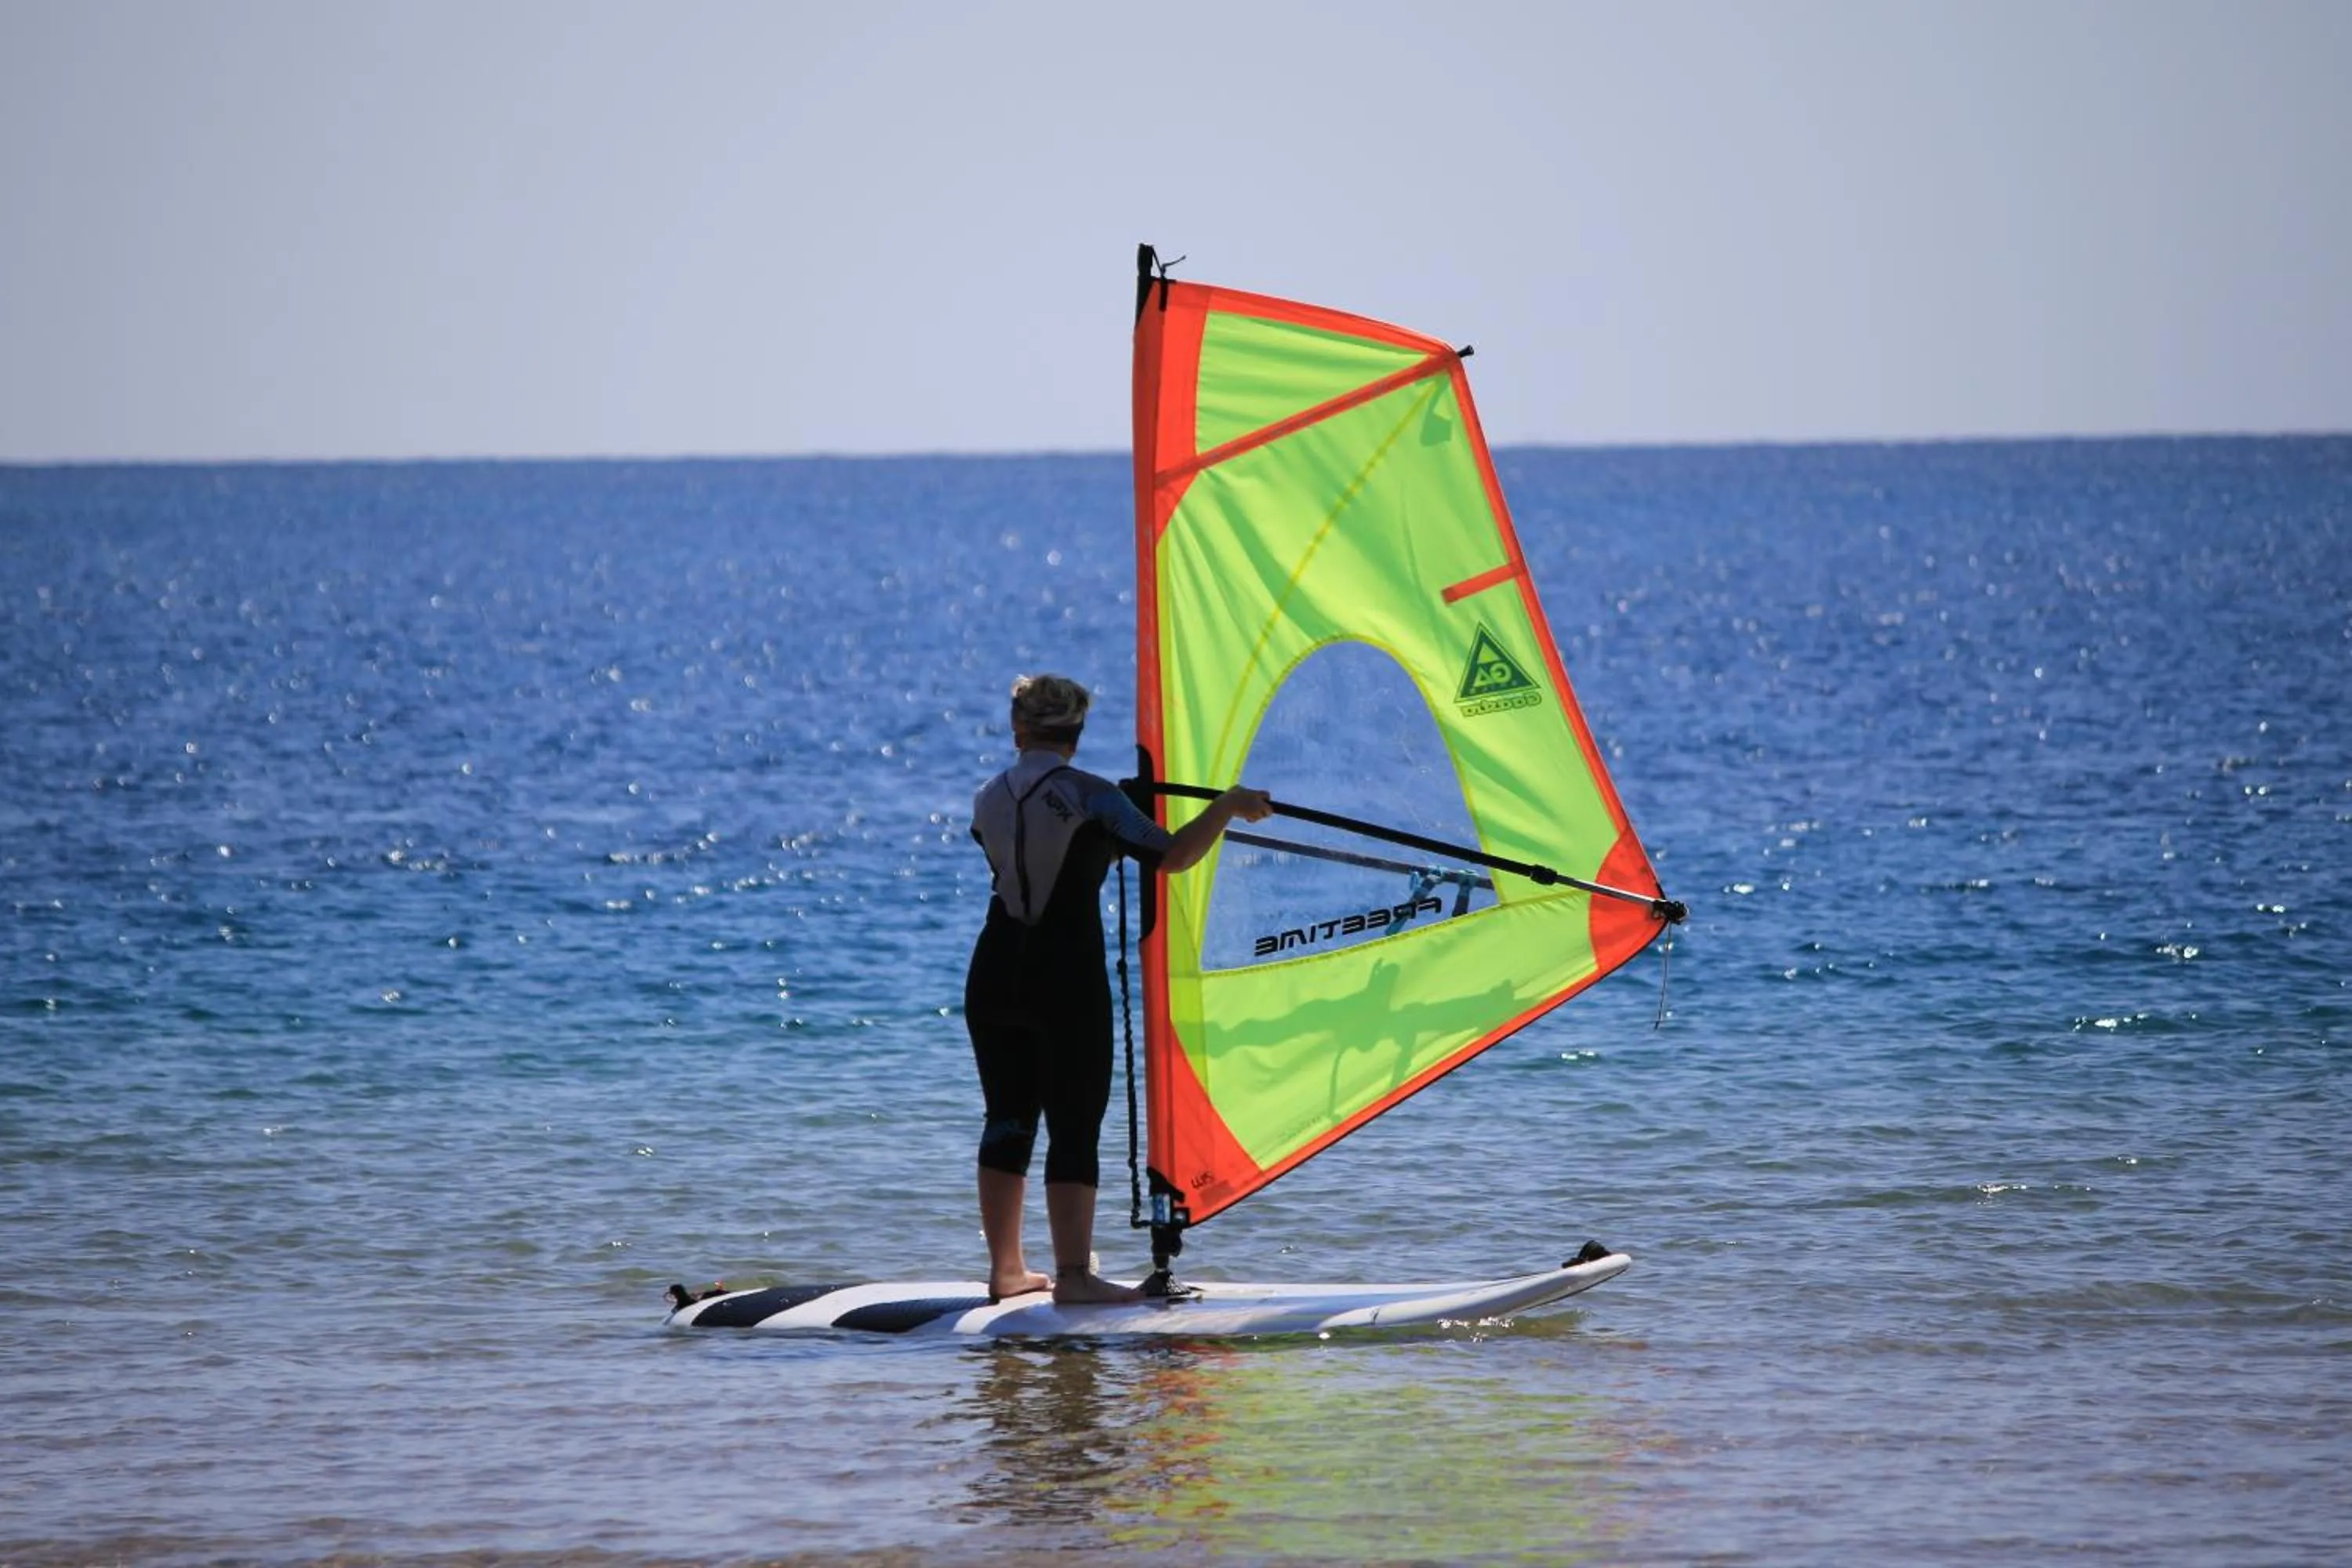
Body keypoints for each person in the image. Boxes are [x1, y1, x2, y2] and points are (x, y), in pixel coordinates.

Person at [964, 673, 1272, 1305]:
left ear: (1018, 730)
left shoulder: (986, 796)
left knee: (1008, 1117)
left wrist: (1111, 825)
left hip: (994, 971)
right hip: (1064, 976)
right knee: (1073, 1124)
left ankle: (1006, 1272)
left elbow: (1036, 849)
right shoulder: (1094, 795)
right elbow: (1174, 855)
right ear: (1076, 735)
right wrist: (1226, 806)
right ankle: (1074, 1278)